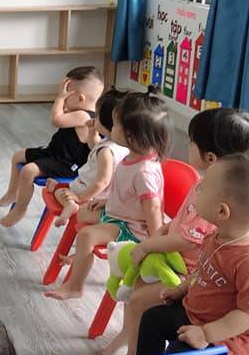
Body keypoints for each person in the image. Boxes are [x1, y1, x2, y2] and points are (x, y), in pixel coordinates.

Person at [98, 108, 249, 355]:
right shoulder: (204, 185)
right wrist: (160, 233)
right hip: (180, 266)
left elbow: (187, 240)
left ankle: (133, 354)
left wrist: (147, 245)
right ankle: (130, 333)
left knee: (138, 300)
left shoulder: (216, 203)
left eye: (192, 142)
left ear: (210, 157)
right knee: (135, 288)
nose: (188, 146)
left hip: (186, 270)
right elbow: (181, 222)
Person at [136, 152, 249, 355]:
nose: (196, 189)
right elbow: (203, 270)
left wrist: (206, 334)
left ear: (221, 211)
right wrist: (182, 289)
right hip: (199, 314)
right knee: (152, 319)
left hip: (230, 337)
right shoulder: (220, 234)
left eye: (203, 187)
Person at [45, 89, 170, 301]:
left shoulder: (144, 172)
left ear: (132, 135)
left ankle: (75, 286)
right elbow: (127, 192)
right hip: (118, 214)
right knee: (82, 214)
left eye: (116, 125)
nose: (112, 128)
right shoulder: (132, 156)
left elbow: (153, 208)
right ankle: (82, 255)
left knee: (86, 235)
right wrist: (105, 201)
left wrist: (153, 243)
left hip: (132, 229)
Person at [0, 66, 104, 228]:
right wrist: (65, 102)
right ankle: (12, 193)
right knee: (18, 155)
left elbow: (56, 120)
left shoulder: (84, 116)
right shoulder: (80, 112)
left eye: (66, 94)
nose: (62, 98)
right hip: (55, 153)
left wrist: (59, 99)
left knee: (28, 171)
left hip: (68, 163)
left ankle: (20, 209)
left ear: (80, 98)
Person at [46, 88, 128, 226]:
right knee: (59, 186)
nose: (93, 118)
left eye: (97, 116)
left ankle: (70, 204)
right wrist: (92, 132)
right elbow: (94, 146)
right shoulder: (118, 145)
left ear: (106, 123)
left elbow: (102, 182)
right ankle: (62, 191)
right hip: (101, 193)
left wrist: (80, 197)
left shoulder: (106, 151)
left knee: (60, 190)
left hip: (90, 192)